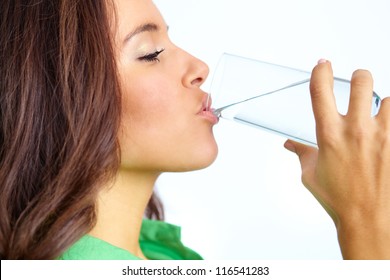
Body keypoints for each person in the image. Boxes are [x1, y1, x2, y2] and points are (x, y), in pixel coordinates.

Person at [0, 0, 389, 260]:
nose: (199, 66)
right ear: (58, 98)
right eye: (151, 52)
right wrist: (365, 221)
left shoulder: (156, 253)